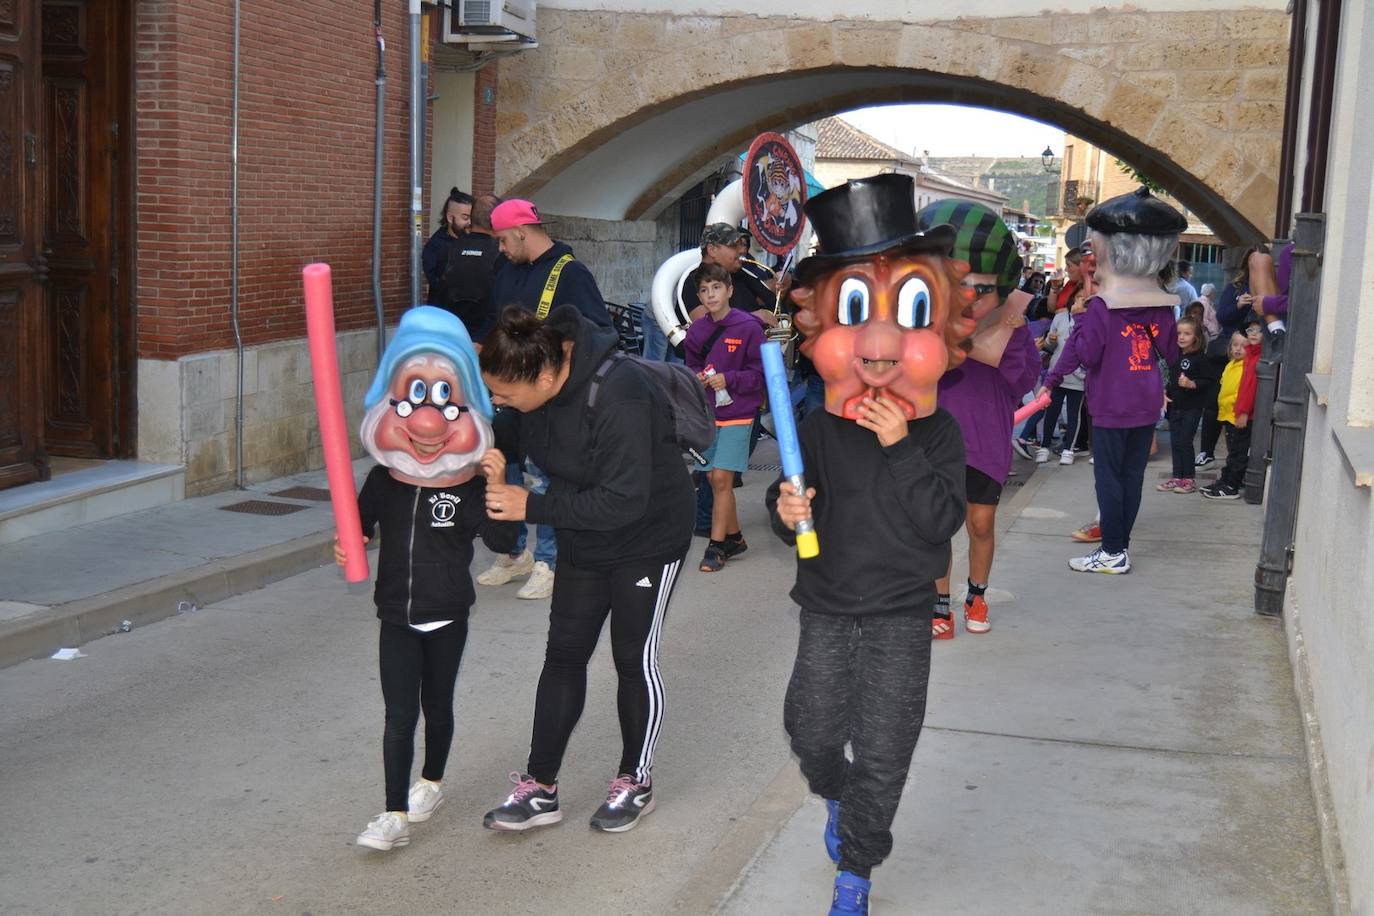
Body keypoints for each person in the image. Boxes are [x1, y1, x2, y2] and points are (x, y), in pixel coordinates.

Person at [768, 173, 973, 915]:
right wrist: (785, 506)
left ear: (944, 323)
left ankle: (856, 871)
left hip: (900, 614)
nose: (881, 342)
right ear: (822, 327)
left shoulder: (939, 433)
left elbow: (940, 521)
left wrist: (898, 445)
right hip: (825, 603)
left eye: (909, 313)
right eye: (857, 311)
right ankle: (838, 796)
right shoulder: (817, 428)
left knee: (885, 750)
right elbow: (788, 501)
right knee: (811, 731)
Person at [478, 303, 694, 834]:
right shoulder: (534, 391)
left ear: (547, 376)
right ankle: (540, 788)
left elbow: (623, 501)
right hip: (583, 532)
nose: (498, 402)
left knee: (631, 657)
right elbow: (511, 440)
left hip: (647, 534)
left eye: (504, 394)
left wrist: (532, 507)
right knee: (565, 656)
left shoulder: (619, 392)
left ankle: (634, 782)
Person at [338, 307, 518, 852]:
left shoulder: (465, 488)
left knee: (437, 708)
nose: (426, 422)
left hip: (448, 614)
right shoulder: (381, 482)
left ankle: (432, 782)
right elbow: (362, 527)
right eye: (412, 398)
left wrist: (498, 487)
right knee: (399, 715)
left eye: (444, 400)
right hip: (394, 613)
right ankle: (392, 813)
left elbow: (504, 546)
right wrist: (350, 539)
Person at [1038, 188, 1183, 574]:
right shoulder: (1161, 306)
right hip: (1145, 400)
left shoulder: (1101, 307)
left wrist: (1082, 318)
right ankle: (1120, 547)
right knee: (1132, 478)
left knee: (1108, 478)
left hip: (1112, 403)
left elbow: (1085, 354)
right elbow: (1171, 351)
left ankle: (1113, 551)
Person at [916, 199, 1039, 638]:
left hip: (986, 442)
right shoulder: (920, 325)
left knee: (981, 523)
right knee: (938, 527)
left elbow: (1021, 381)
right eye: (957, 285)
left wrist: (1007, 339)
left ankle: (977, 594)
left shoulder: (1012, 327)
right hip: (935, 441)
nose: (968, 298)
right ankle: (939, 602)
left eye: (981, 289)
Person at [479, 198, 614, 598]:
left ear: (522, 231)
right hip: (508, 399)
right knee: (508, 469)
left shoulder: (571, 273)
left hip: (549, 399)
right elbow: (494, 323)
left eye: (503, 240)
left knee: (546, 480)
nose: (500, 249)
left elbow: (598, 331)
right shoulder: (506, 269)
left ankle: (549, 562)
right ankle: (514, 552)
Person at [683, 263, 765, 573]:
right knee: (711, 478)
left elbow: (760, 376)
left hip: (739, 413)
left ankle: (716, 547)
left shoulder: (748, 328)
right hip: (707, 414)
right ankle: (735, 538)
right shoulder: (697, 330)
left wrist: (728, 379)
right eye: (703, 290)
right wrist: (698, 379)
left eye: (716, 287)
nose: (709, 294)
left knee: (720, 479)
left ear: (729, 290)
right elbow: (689, 366)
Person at [1158, 316, 1219, 495]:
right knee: (1175, 442)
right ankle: (1177, 477)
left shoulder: (1200, 358)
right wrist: (1164, 394)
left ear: (1196, 337)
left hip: (1192, 407)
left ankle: (1189, 479)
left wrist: (1193, 384)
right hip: (1175, 406)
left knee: (1185, 441)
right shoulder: (1175, 356)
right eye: (1179, 333)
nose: (1182, 337)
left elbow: (1209, 380)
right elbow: (1170, 380)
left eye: (1187, 333)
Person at [1201, 325, 1262, 499]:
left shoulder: (1249, 363)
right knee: (1233, 451)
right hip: (1229, 416)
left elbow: (1248, 390)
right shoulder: (1231, 365)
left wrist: (1242, 412)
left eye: (1242, 346)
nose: (1238, 349)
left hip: (1240, 416)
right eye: (1235, 345)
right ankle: (1226, 480)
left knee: (1239, 452)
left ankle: (1231, 485)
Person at [681, 223, 780, 329]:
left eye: (741, 245)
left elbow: (772, 302)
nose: (742, 250)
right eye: (734, 246)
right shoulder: (695, 281)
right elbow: (705, 325)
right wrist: (752, 317)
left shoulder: (741, 275)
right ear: (712, 250)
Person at [436, 193, 503, 342]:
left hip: (452, 335)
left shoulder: (449, 249)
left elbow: (439, 293)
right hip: (486, 341)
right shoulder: (502, 253)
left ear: (472, 218)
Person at [1034, 296, 1087, 465]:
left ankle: (1068, 449)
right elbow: (1049, 345)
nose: (1081, 300)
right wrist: (1051, 340)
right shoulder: (1060, 318)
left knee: (1074, 416)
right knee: (1051, 412)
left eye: (1084, 298)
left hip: (1079, 378)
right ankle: (1044, 447)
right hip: (1057, 375)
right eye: (1078, 297)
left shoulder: (1091, 321)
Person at [422, 189, 474, 310]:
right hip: (444, 314)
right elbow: (437, 285)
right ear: (450, 218)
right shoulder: (435, 246)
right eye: (465, 218)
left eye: (472, 218)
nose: (470, 223)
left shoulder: (475, 239)